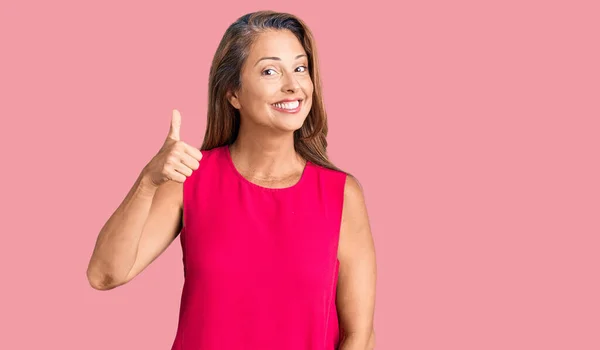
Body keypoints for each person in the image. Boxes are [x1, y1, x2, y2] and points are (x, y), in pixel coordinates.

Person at [86, 10, 376, 350]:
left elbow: (359, 335)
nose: (293, 85)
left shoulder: (341, 194)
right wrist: (148, 181)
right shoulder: (190, 180)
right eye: (270, 71)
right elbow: (105, 274)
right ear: (233, 94)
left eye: (300, 68)